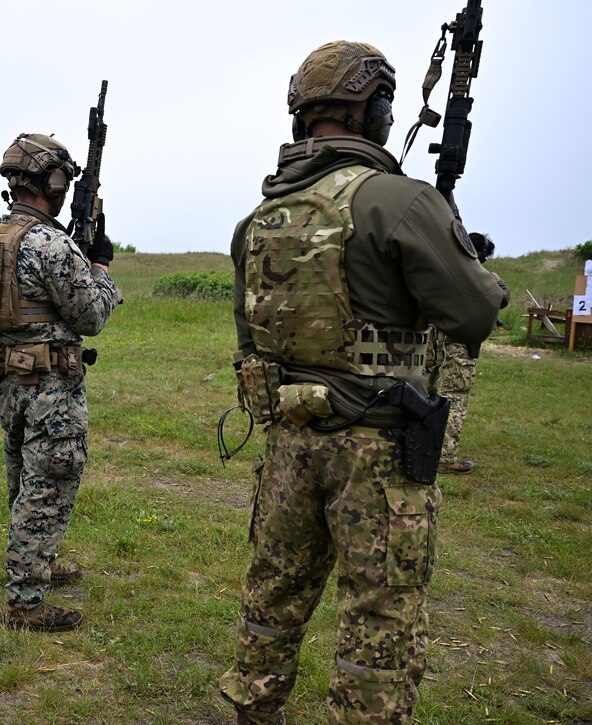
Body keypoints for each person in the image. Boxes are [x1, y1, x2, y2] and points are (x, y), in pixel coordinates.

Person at [218, 42, 506, 723]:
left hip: (289, 437)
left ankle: (252, 705)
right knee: (381, 610)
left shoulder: (257, 220)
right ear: (376, 112)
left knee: (274, 589)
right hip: (377, 448)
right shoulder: (401, 202)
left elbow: (248, 339)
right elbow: (472, 313)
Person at [0, 134, 122, 632]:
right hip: (50, 385)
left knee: (25, 481)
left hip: (8, 377)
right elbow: (92, 314)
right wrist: (98, 266)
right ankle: (25, 602)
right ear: (51, 182)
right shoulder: (50, 243)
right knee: (49, 483)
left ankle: (38, 566)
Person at [424, 233, 509, 475]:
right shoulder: (479, 276)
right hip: (458, 344)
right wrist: (497, 280)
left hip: (432, 341)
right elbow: (502, 298)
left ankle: (413, 444)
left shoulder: (442, 270)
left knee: (423, 391)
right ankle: (445, 457)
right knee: (455, 397)